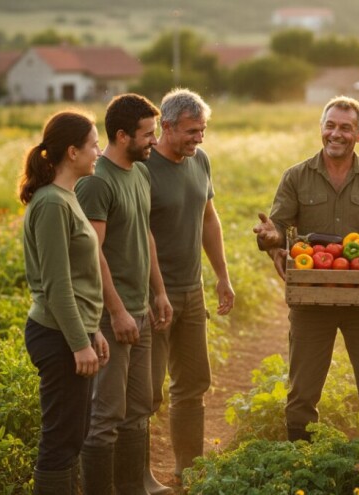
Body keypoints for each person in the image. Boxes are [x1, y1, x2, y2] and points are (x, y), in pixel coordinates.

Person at [253, 96, 359, 468]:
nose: (335, 133)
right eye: (330, 125)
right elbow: (278, 228)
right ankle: (305, 472)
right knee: (302, 392)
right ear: (321, 128)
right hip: (312, 301)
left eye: (344, 127)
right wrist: (270, 238)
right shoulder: (296, 176)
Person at [75, 94, 173, 495]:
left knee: (139, 408)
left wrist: (159, 292)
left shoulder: (140, 173)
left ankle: (133, 487)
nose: (155, 140)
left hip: (141, 311)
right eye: (148, 134)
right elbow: (91, 252)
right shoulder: (97, 182)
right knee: (107, 413)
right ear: (121, 135)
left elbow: (145, 235)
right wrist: (116, 313)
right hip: (110, 316)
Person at [144, 88, 235, 491]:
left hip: (191, 292)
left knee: (193, 383)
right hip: (152, 296)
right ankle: (137, 474)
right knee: (147, 392)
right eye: (191, 131)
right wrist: (158, 291)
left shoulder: (201, 161)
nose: (199, 138)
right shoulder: (143, 169)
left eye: (202, 130)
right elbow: (139, 235)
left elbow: (208, 219)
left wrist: (222, 275)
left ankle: (188, 468)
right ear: (166, 127)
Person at [20, 110, 109, 494]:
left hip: (69, 333)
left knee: (74, 434)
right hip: (56, 336)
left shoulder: (66, 197)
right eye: (93, 145)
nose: (98, 151)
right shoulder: (53, 204)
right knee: (61, 440)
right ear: (72, 152)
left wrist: (92, 332)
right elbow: (58, 286)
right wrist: (79, 343)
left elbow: (76, 279)